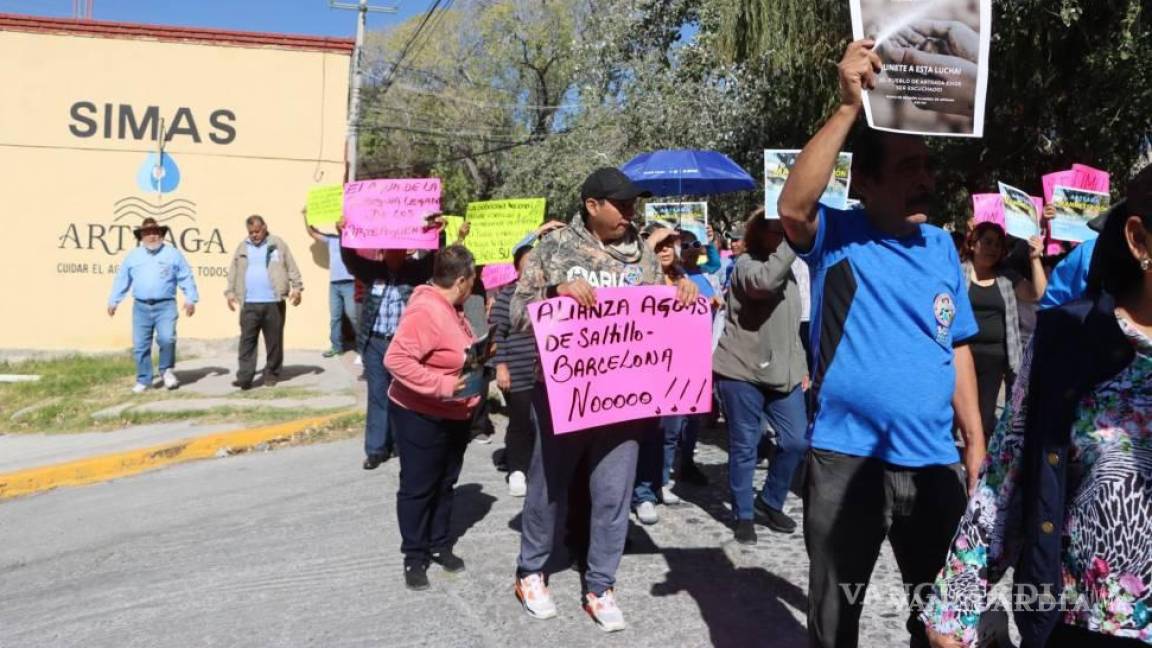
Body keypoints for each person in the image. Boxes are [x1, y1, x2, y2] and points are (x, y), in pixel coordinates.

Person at [777, 40, 985, 648]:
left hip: (933, 463)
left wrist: (974, 442)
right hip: (847, 462)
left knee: (942, 619)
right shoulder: (839, 235)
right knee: (837, 619)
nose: (924, 180)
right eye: (905, 169)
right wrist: (847, 107)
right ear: (863, 182)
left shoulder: (945, 246)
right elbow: (792, 204)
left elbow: (959, 346)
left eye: (926, 167)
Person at [923, 165, 1152, 648]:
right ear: (1140, 240)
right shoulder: (1068, 342)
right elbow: (1006, 472)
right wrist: (959, 601)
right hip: (1084, 625)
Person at [511, 167, 697, 632]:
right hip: (562, 394)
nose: (630, 211)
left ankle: (600, 585)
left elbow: (659, 312)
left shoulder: (644, 254)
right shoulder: (550, 249)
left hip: (626, 400)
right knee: (547, 488)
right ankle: (531, 571)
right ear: (592, 205)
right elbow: (516, 313)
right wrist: (554, 293)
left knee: (613, 495)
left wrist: (682, 293)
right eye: (621, 203)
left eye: (633, 203)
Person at [383, 244, 482, 591]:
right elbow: (396, 360)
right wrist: (442, 385)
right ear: (460, 280)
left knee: (444, 482)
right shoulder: (427, 310)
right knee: (418, 487)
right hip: (420, 414)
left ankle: (440, 543)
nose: (475, 284)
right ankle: (414, 554)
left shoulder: (452, 308)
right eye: (473, 278)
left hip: (453, 413)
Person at [713, 211, 809, 546]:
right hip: (741, 370)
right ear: (758, 232)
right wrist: (794, 243)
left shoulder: (790, 270)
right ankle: (743, 514)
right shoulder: (746, 265)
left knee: (796, 440)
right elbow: (764, 284)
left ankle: (769, 501)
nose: (783, 236)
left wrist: (801, 366)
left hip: (784, 373)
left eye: (788, 230)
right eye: (777, 230)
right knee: (746, 444)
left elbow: (793, 325)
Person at [339, 219, 453, 470]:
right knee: (378, 395)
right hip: (375, 343)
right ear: (384, 250)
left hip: (405, 346)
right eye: (390, 249)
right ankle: (376, 449)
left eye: (399, 249)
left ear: (405, 251)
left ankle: (404, 444)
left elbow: (436, 260)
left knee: (406, 396)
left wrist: (438, 235)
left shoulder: (415, 272)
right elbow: (350, 261)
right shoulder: (372, 271)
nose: (394, 253)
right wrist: (343, 234)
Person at [490, 221, 567, 497]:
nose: (532, 267)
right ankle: (517, 470)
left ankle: (544, 468)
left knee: (547, 424)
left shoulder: (556, 293)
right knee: (521, 422)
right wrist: (501, 367)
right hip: (519, 372)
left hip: (550, 374)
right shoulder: (509, 295)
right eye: (527, 262)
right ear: (517, 267)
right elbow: (497, 333)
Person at [960, 222, 1048, 437]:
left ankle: (977, 467)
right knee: (954, 414)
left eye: (998, 244)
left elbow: (1037, 294)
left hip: (993, 359)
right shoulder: (957, 271)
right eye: (987, 242)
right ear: (973, 243)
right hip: (960, 356)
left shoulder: (1006, 276)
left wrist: (1035, 258)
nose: (993, 248)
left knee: (984, 418)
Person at [631, 225, 693, 525]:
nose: (665, 249)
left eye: (670, 244)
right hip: (644, 368)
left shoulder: (683, 277)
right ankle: (642, 494)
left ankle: (659, 483)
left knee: (670, 431)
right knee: (648, 433)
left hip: (676, 368)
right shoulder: (638, 278)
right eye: (659, 245)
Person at [107, 217, 199, 393]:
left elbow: (186, 276)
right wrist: (114, 301)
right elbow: (122, 280)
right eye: (147, 233)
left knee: (167, 339)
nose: (152, 236)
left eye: (155, 232)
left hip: (166, 305)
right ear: (141, 236)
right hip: (141, 307)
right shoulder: (133, 257)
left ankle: (166, 372)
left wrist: (190, 299)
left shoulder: (173, 254)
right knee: (140, 345)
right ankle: (144, 380)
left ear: (161, 235)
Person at [225, 215, 303, 390]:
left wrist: (297, 288)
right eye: (251, 232)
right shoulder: (242, 246)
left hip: (273, 302)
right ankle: (245, 377)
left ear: (265, 227)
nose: (254, 235)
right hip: (249, 303)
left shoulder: (277, 244)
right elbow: (234, 270)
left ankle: (271, 374)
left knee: (274, 341)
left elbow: (291, 267)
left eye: (257, 231)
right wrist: (230, 293)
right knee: (247, 341)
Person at [304, 212, 358, 358]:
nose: (339, 224)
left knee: (353, 316)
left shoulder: (354, 239)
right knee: (335, 317)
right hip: (334, 284)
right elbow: (312, 233)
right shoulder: (332, 239)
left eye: (342, 221)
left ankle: (364, 346)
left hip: (350, 283)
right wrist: (306, 216)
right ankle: (336, 347)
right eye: (337, 222)